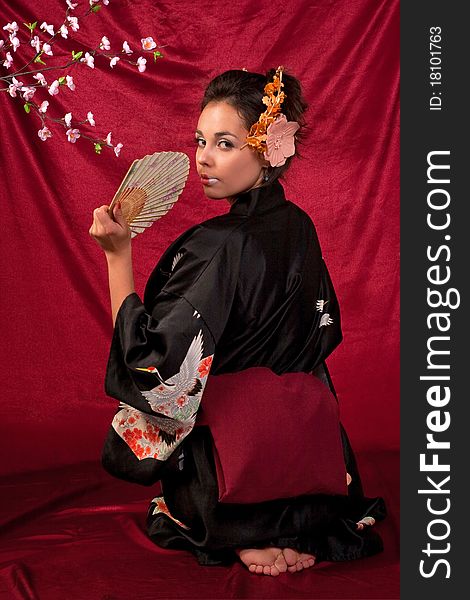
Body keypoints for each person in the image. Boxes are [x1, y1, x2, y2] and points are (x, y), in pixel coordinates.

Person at [89, 66, 386, 577]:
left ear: (268, 150)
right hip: (307, 456)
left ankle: (242, 531)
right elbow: (319, 337)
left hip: (230, 466)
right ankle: (287, 523)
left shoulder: (221, 244)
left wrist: (119, 256)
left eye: (224, 143)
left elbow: (155, 364)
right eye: (200, 140)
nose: (203, 157)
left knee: (180, 400)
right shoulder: (300, 226)